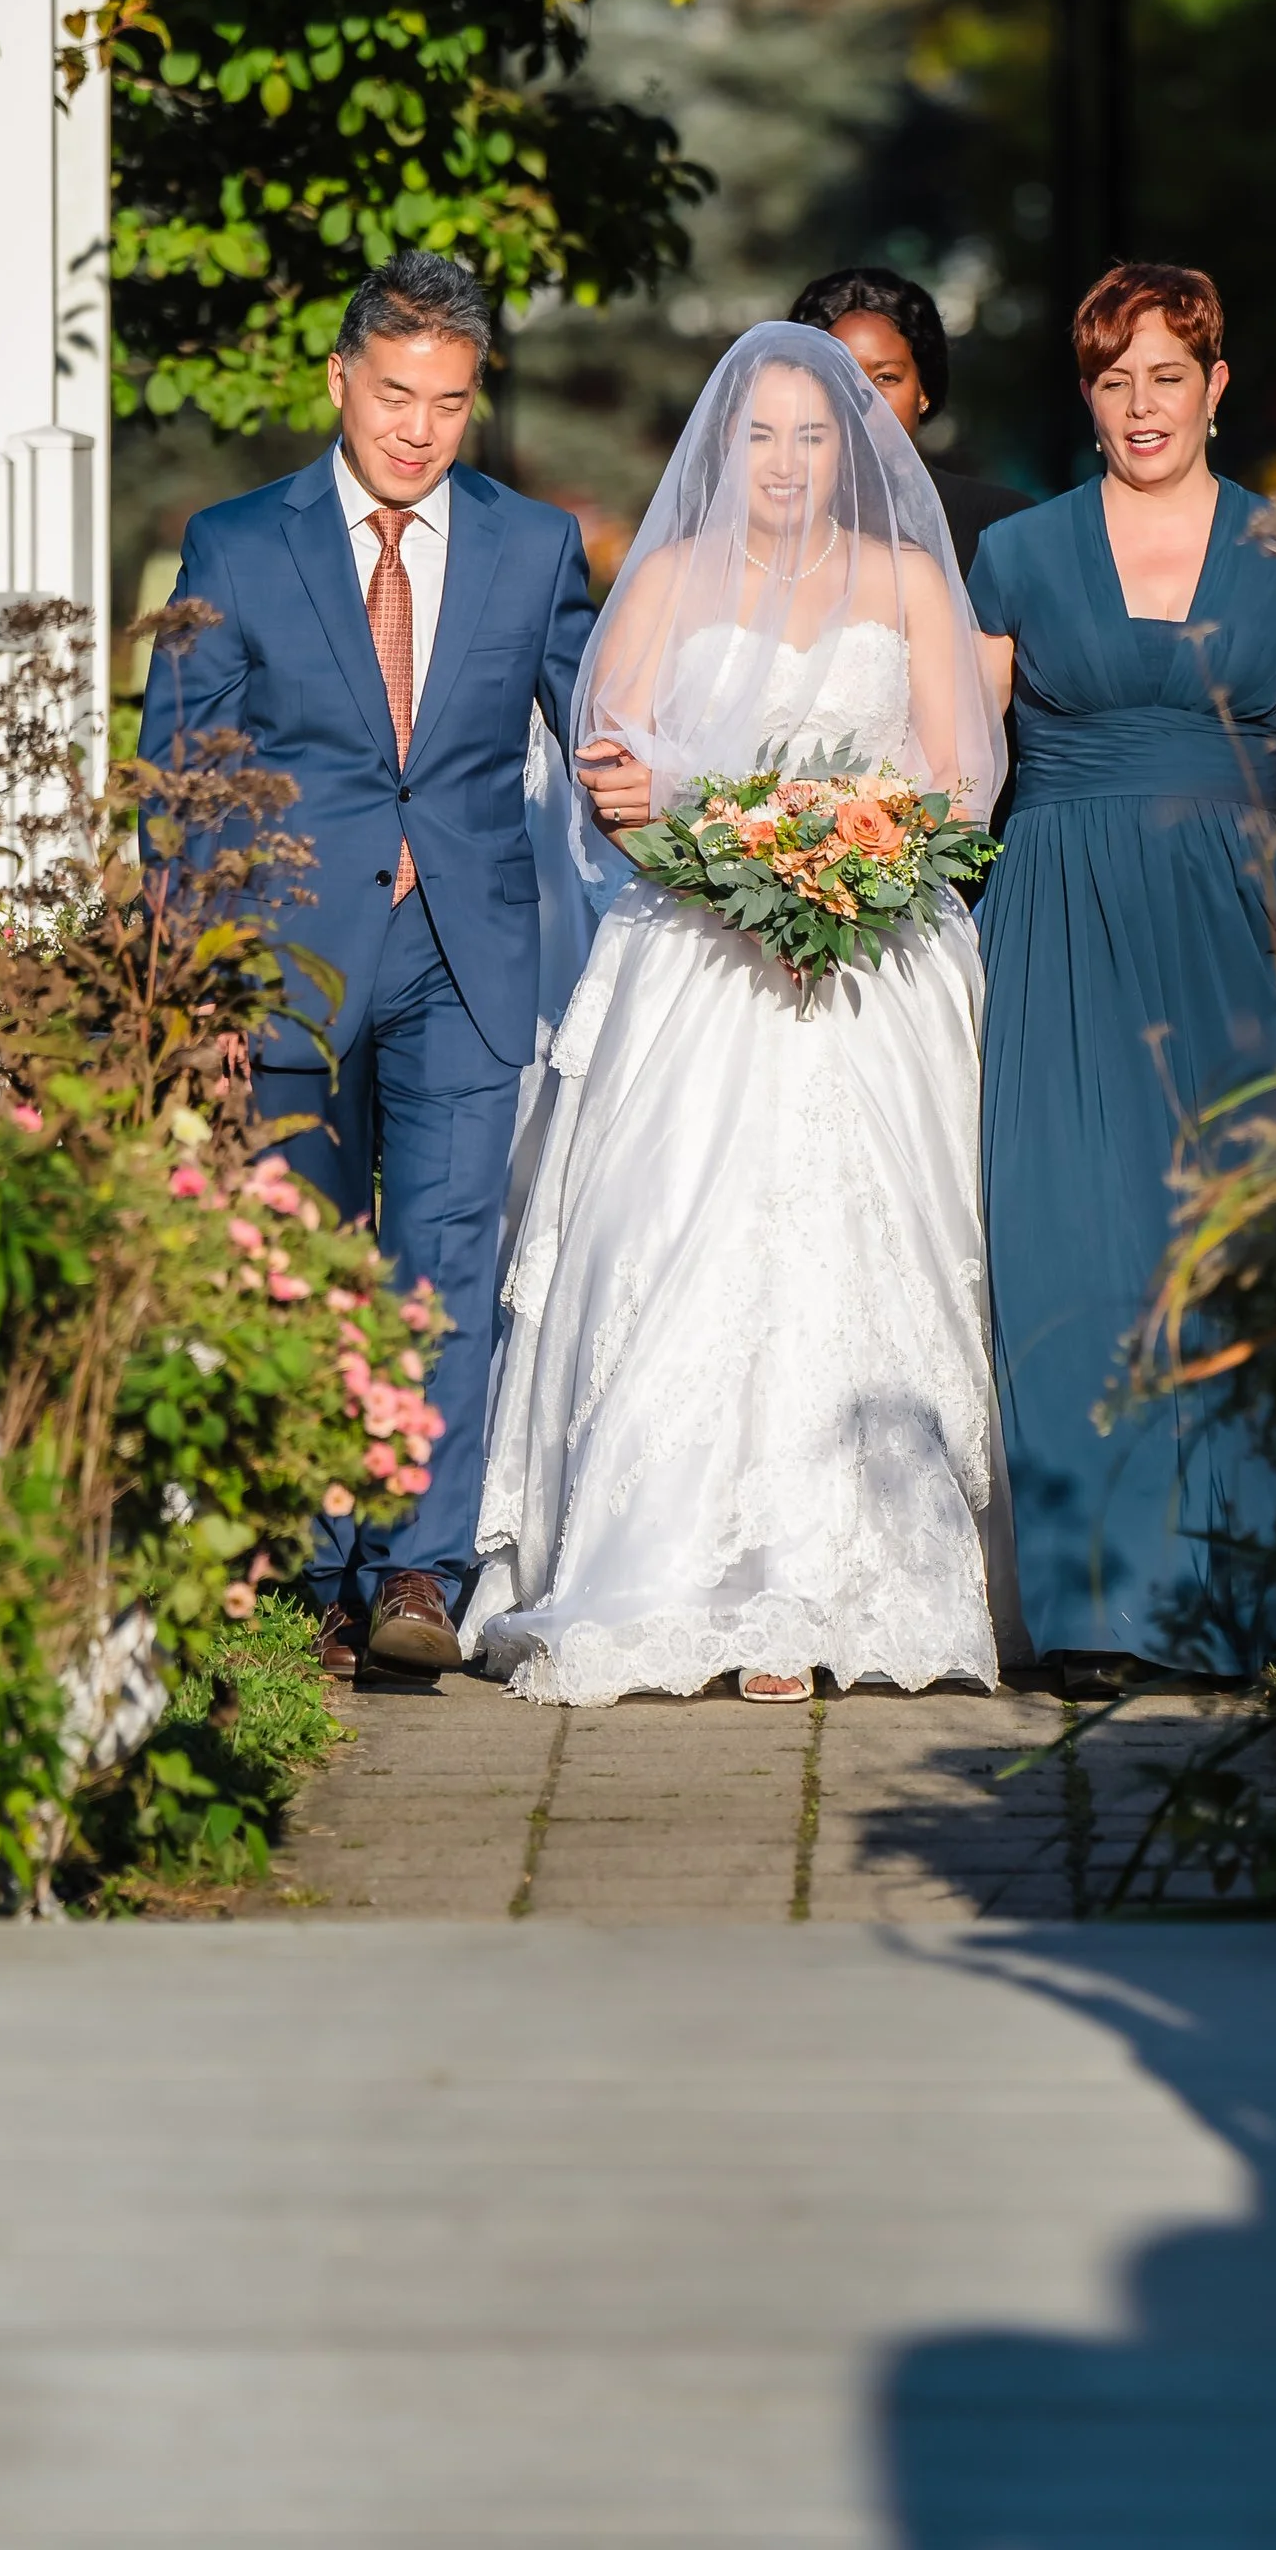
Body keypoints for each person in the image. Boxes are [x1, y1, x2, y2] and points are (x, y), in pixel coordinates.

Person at [462, 324, 1009, 1705]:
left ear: (856, 447)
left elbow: (958, 781)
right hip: (699, 958)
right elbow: (612, 778)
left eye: (810, 436)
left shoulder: (904, 581)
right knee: (684, 1242)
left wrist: (860, 852)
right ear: (725, 446)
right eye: (759, 436)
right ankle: (695, 1569)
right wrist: (731, 844)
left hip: (871, 961)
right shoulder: (665, 582)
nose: (783, 461)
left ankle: (849, 1576)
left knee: (853, 1245)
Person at [139, 249, 594, 1680]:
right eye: (394, 395)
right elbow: (182, 775)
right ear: (341, 381)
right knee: (304, 1259)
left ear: (474, 403)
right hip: (286, 960)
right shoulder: (236, 543)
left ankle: (417, 1569)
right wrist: (199, 971)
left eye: (447, 403)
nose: (416, 428)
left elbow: (609, 725)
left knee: (447, 1258)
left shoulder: (533, 546)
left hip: (468, 948)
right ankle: (310, 1567)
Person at [966, 259, 1276, 1693]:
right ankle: (1092, 1605)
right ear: (1084, 396)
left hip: (1239, 928)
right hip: (1055, 923)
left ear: (1216, 386)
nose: (1140, 405)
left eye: (1166, 376)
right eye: (1111, 379)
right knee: (1068, 1243)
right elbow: (957, 765)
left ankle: (1243, 1598)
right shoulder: (1019, 553)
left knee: (1237, 1247)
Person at [788, 264, 1027, 581]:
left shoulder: (1002, 526)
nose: (862, 398)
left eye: (886, 377)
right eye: (839, 377)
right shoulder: (770, 522)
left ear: (923, 389)